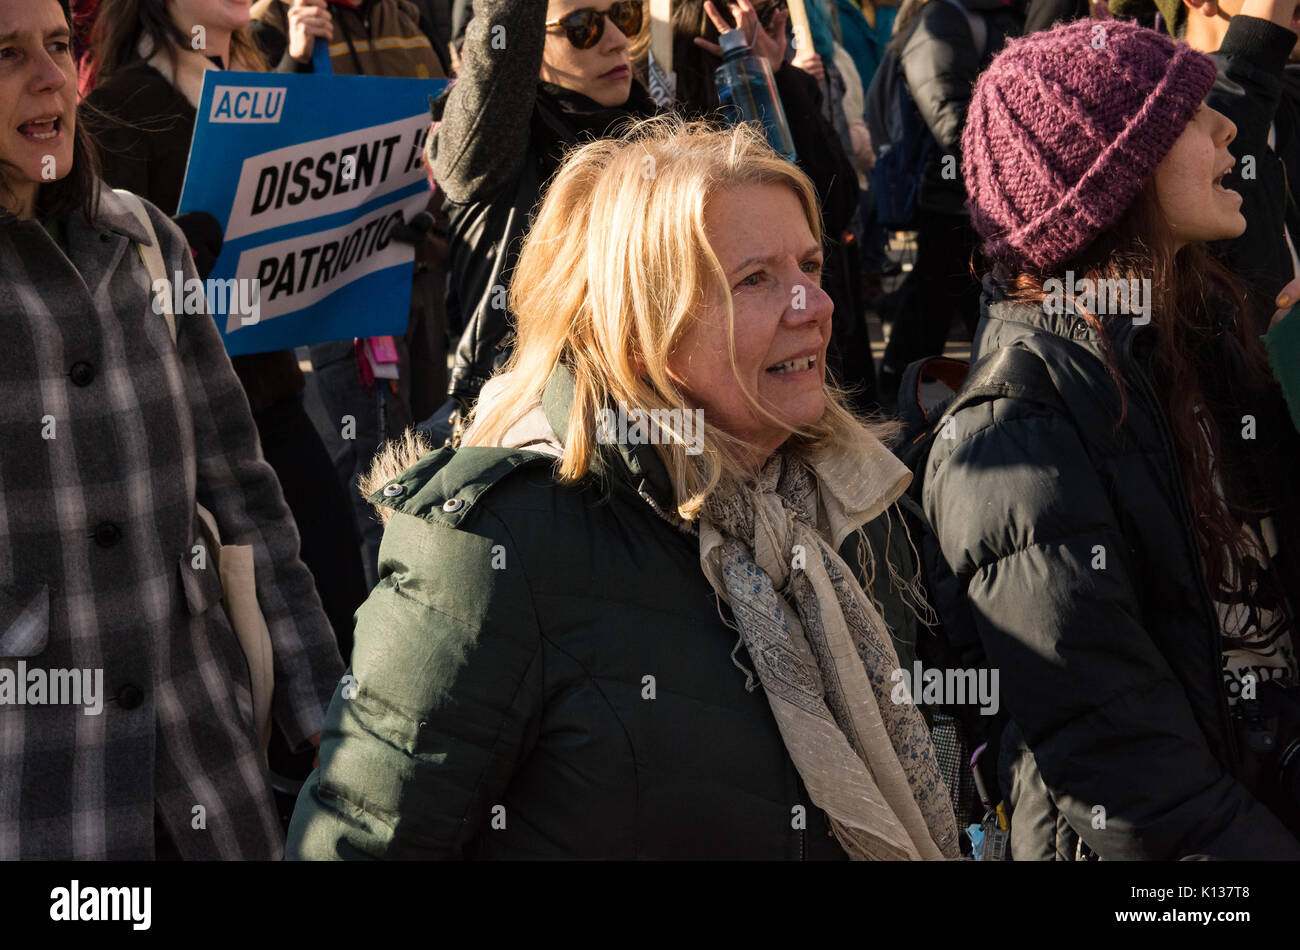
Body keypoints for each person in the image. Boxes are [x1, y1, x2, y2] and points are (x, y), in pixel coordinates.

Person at [285, 117, 960, 860]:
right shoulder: (494, 548)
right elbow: (355, 842)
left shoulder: (839, 498)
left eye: (809, 267)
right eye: (756, 280)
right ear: (641, 328)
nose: (816, 306)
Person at [925, 18, 1300, 859]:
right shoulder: (1014, 434)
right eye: (1189, 115)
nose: (1225, 125)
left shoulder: (1201, 341)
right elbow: (1133, 783)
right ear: (1111, 179)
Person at [0, 0, 344, 859]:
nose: (48, 78)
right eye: (5, 55)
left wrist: (320, 714)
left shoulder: (148, 241)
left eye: (53, 46)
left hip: (208, 774)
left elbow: (241, 491)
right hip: (40, 794)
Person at [83, 0, 369, 665]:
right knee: (251, 644)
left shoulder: (259, 84)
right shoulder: (122, 107)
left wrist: (364, 229)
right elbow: (99, 292)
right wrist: (169, 259)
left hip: (275, 403)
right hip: (186, 439)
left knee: (340, 601)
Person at [251, 0, 451, 585]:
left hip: (424, 269)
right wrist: (290, 59)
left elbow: (441, 127)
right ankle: (378, 645)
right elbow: (261, 160)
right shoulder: (268, 28)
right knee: (376, 481)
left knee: (429, 460)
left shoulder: (407, 16)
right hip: (346, 291)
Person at [428, 0, 659, 427]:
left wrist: (776, 78)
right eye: (582, 27)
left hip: (649, 416)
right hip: (531, 426)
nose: (616, 40)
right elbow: (501, 53)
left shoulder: (656, 130)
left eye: (623, 15)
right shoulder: (495, 147)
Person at [660, 0, 879, 411]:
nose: (760, 26)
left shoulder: (778, 78)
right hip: (730, 378)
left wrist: (779, 79)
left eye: (771, 11)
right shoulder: (663, 88)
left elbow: (836, 200)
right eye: (745, 13)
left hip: (823, 356)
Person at [876, 0, 1022, 405]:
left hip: (977, 202)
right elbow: (950, 122)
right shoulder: (941, 19)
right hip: (951, 202)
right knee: (936, 313)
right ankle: (903, 412)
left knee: (965, 310)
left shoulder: (993, 16)